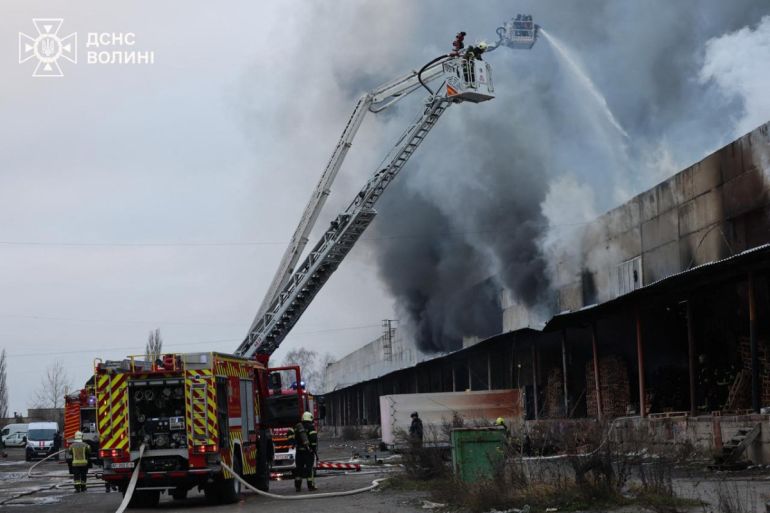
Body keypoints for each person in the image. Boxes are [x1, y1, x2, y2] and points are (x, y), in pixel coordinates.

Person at [288, 411, 318, 492]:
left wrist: (293, 442)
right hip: (308, 452)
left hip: (299, 452)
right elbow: (313, 439)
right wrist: (313, 448)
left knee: (298, 470)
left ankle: (298, 487)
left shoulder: (297, 427)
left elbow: (289, 433)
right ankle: (310, 486)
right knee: (309, 469)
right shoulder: (311, 427)